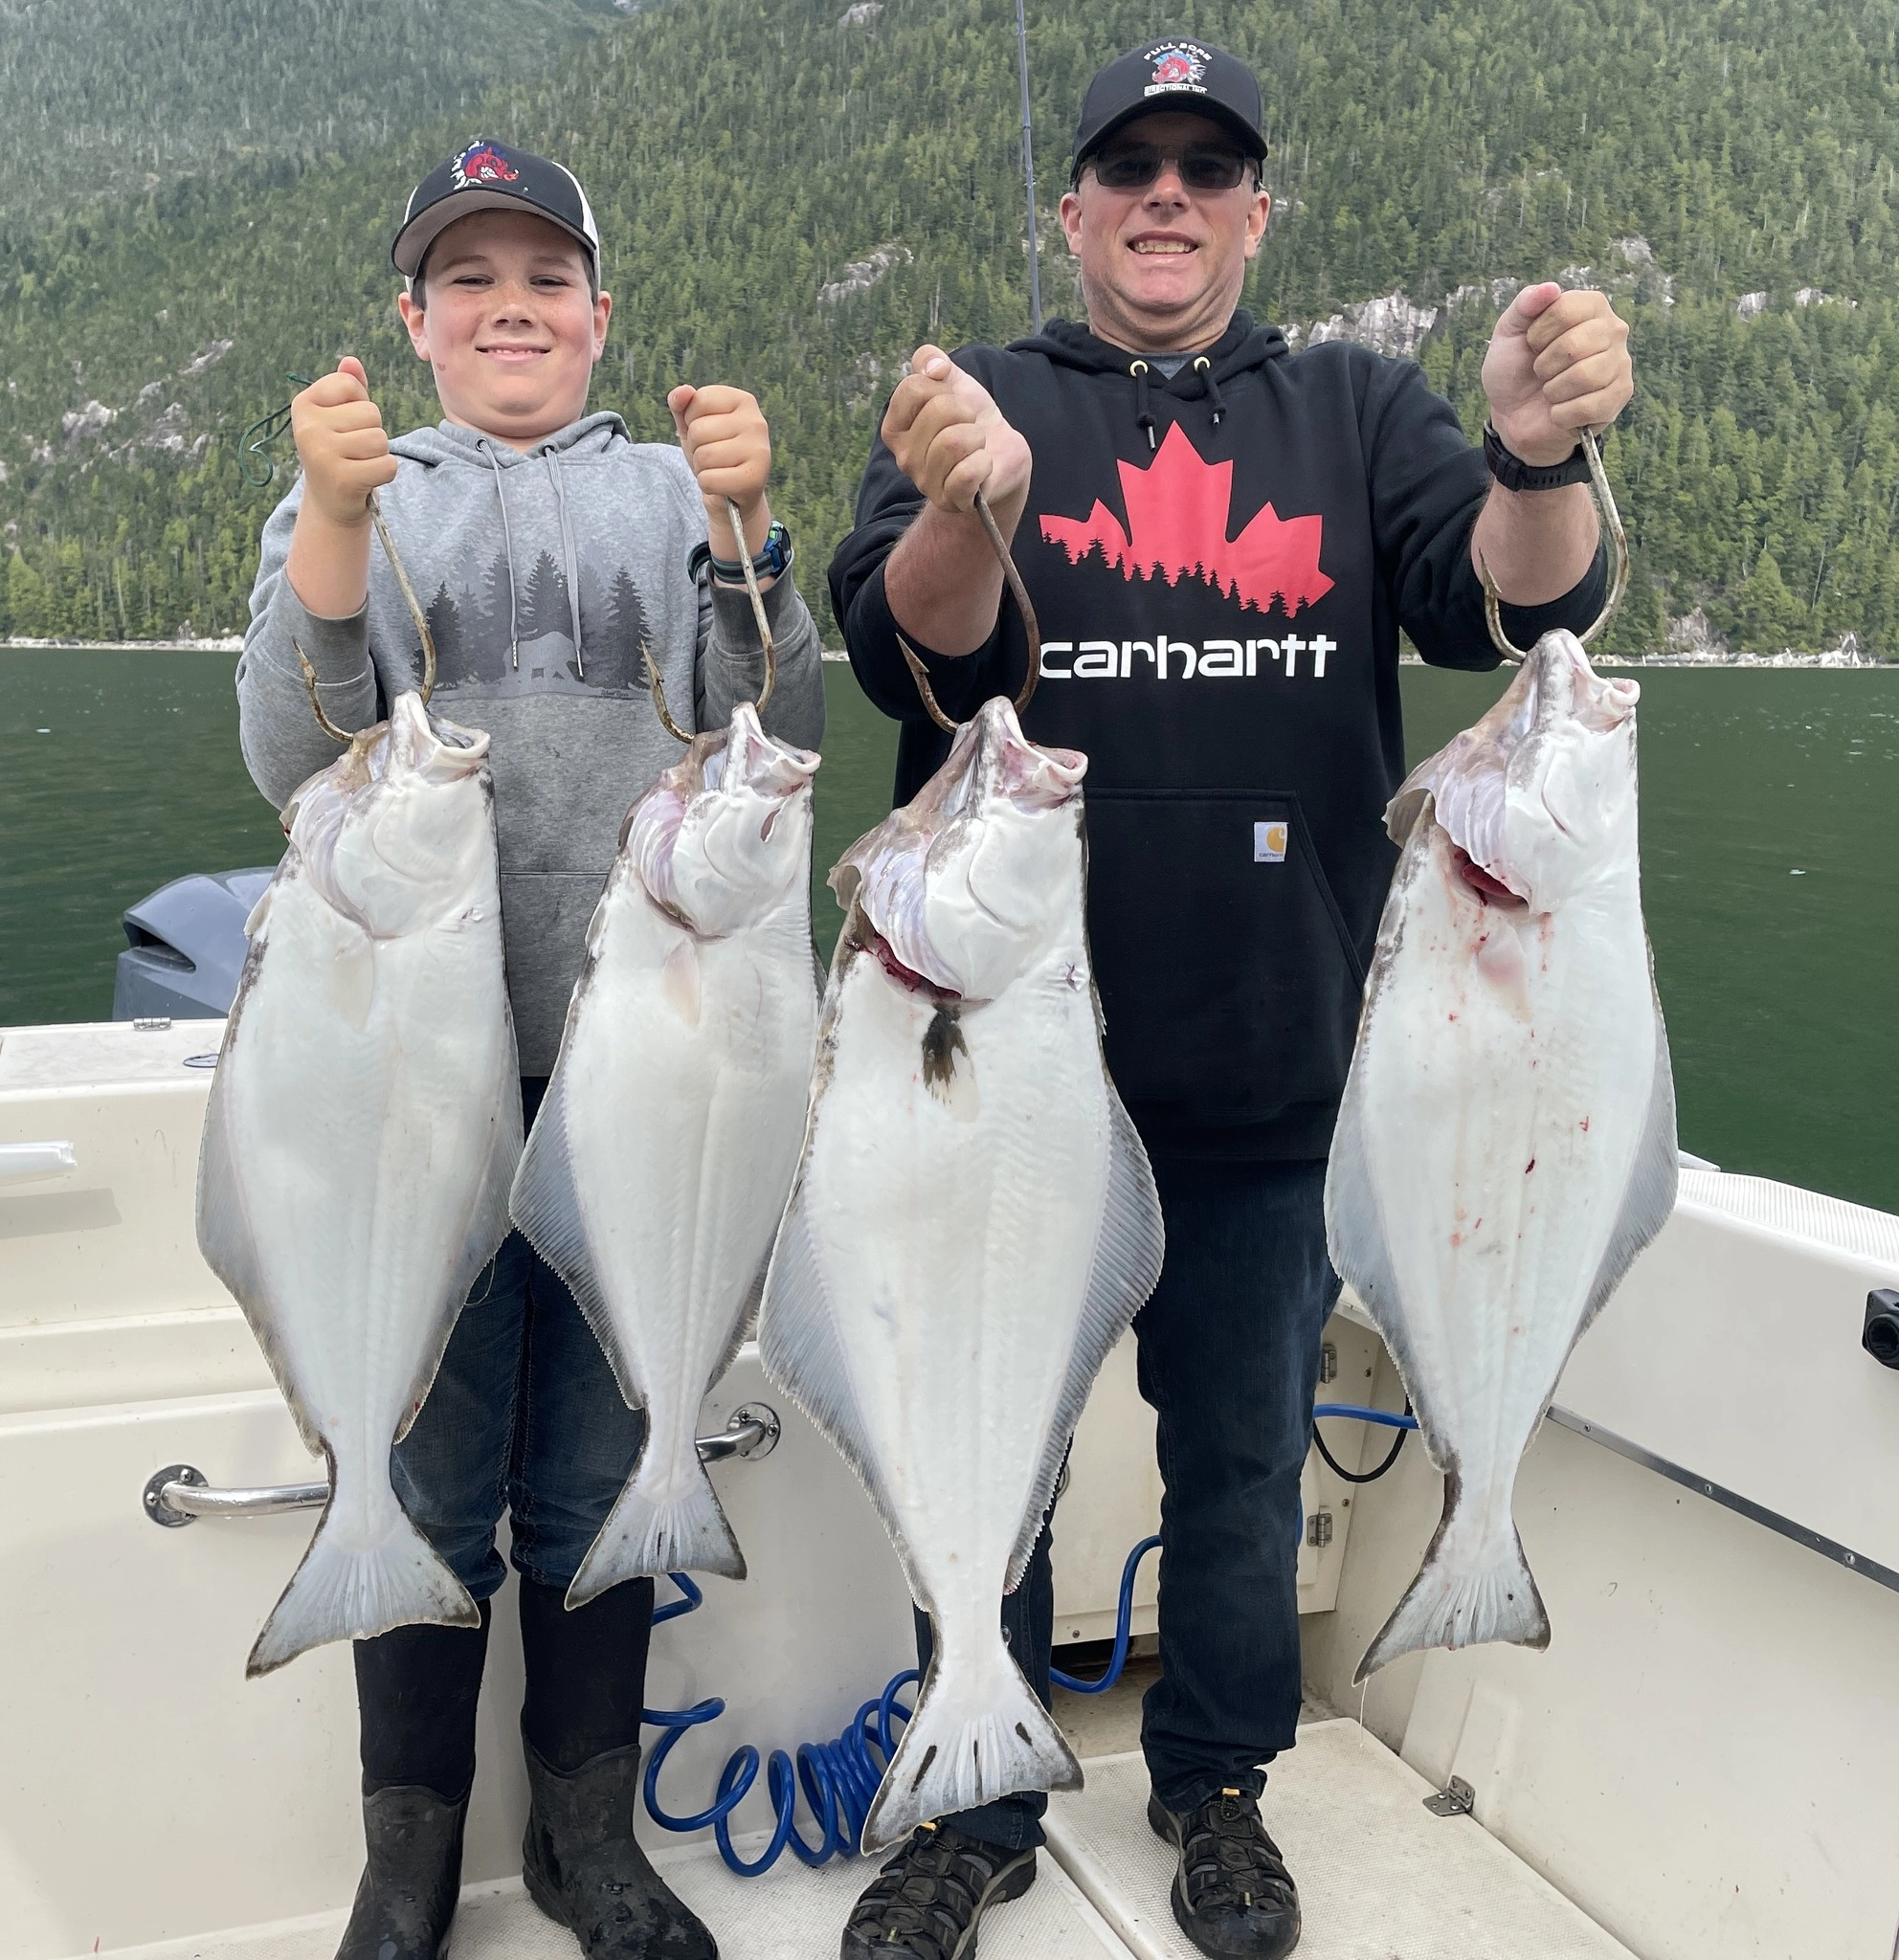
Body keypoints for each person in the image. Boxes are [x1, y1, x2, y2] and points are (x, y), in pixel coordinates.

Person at [827, 36, 1631, 1960]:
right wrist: (970, 511)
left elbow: (1512, 604)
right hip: (997, 1080)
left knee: (1245, 1461)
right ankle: (977, 1793)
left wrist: (1532, 457)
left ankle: (1215, 1783)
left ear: (1254, 206)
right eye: (1128, 163)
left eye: (1206, 163)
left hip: (1275, 1081)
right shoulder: (977, 399)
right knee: (980, 1439)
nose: (1165, 191)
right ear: (1074, 206)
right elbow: (890, 645)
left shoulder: (1354, 407)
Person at [237, 137, 823, 1960]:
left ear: (601, 309)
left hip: (640, 1072)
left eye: (545, 276)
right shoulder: (357, 490)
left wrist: (749, 550)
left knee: (598, 1474)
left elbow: (776, 731)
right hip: (403, 1086)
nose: (511, 307)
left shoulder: (675, 489)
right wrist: (332, 532)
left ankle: (587, 1842)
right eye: (468, 278)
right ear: (411, 319)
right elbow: (290, 748)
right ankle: (407, 1868)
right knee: (416, 1475)